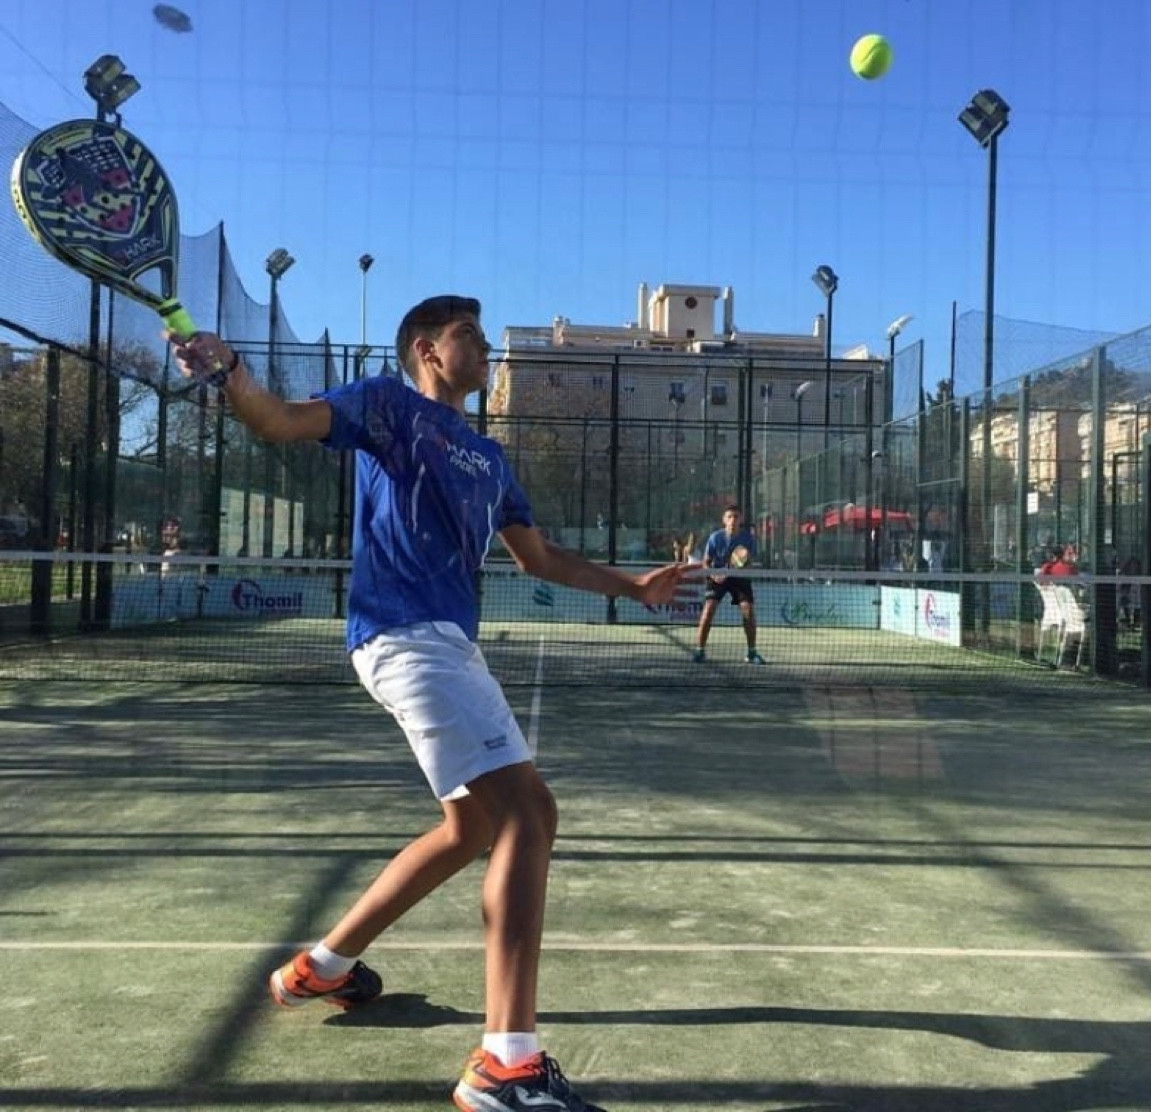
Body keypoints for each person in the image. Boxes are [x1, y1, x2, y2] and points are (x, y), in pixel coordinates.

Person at [170, 295, 700, 1112]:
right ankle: (506, 1066)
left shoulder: (489, 457)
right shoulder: (385, 406)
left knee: (474, 827)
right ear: (427, 350)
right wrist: (231, 371)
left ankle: (324, 966)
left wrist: (633, 586)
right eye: (469, 337)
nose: (485, 349)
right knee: (529, 811)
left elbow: (540, 557)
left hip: (450, 643)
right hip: (402, 636)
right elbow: (278, 421)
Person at [693, 503, 765, 664]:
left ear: (741, 519)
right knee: (709, 609)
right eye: (729, 517)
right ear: (724, 520)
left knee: (748, 611)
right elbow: (706, 562)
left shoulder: (748, 538)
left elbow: (749, 562)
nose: (733, 520)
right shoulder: (715, 537)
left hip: (740, 578)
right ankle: (700, 651)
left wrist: (742, 567)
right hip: (717, 577)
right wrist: (713, 574)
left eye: (736, 517)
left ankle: (751, 653)